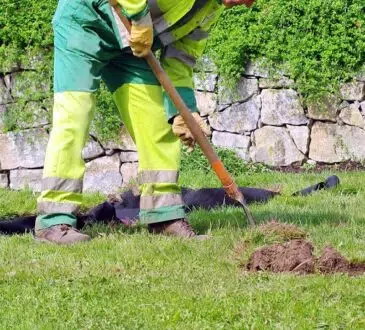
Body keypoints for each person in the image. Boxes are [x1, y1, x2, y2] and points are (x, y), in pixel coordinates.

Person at [35, 0, 256, 244]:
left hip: (131, 47)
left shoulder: (210, 9)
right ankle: (54, 220)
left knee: (157, 124)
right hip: (86, 20)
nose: (248, 5)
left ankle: (163, 215)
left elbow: (181, 59)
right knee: (74, 114)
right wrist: (140, 18)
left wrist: (185, 112)